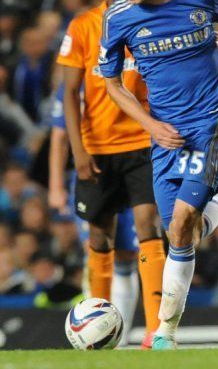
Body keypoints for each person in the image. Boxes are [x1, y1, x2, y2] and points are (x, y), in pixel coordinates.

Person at [98, 0, 218, 349]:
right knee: (180, 234)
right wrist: (150, 126)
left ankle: (165, 333)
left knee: (184, 221)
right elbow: (112, 83)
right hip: (165, 136)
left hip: (211, 123)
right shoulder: (117, 18)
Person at [56, 0, 166, 349]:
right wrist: (79, 151)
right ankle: (96, 328)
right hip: (97, 148)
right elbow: (69, 93)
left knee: (147, 226)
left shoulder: (148, 21)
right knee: (100, 233)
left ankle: (156, 331)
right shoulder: (83, 26)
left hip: (141, 143)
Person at [48, 82, 140, 346]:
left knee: (126, 255)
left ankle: (117, 338)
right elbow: (59, 135)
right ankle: (94, 335)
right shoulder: (75, 83)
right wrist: (55, 187)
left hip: (129, 173)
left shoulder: (133, 73)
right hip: (92, 178)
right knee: (97, 250)